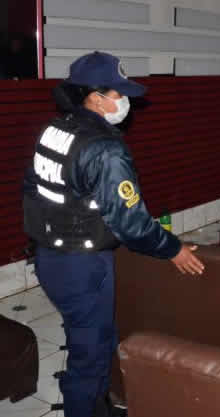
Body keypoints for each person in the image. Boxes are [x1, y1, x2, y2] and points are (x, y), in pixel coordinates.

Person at [22, 51, 205, 417]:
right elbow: (132, 223)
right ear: (95, 96)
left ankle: (99, 408)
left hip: (50, 254)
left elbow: (33, 189)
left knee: (94, 339)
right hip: (82, 264)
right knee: (89, 354)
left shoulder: (55, 128)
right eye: (119, 94)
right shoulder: (105, 148)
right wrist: (173, 249)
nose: (125, 102)